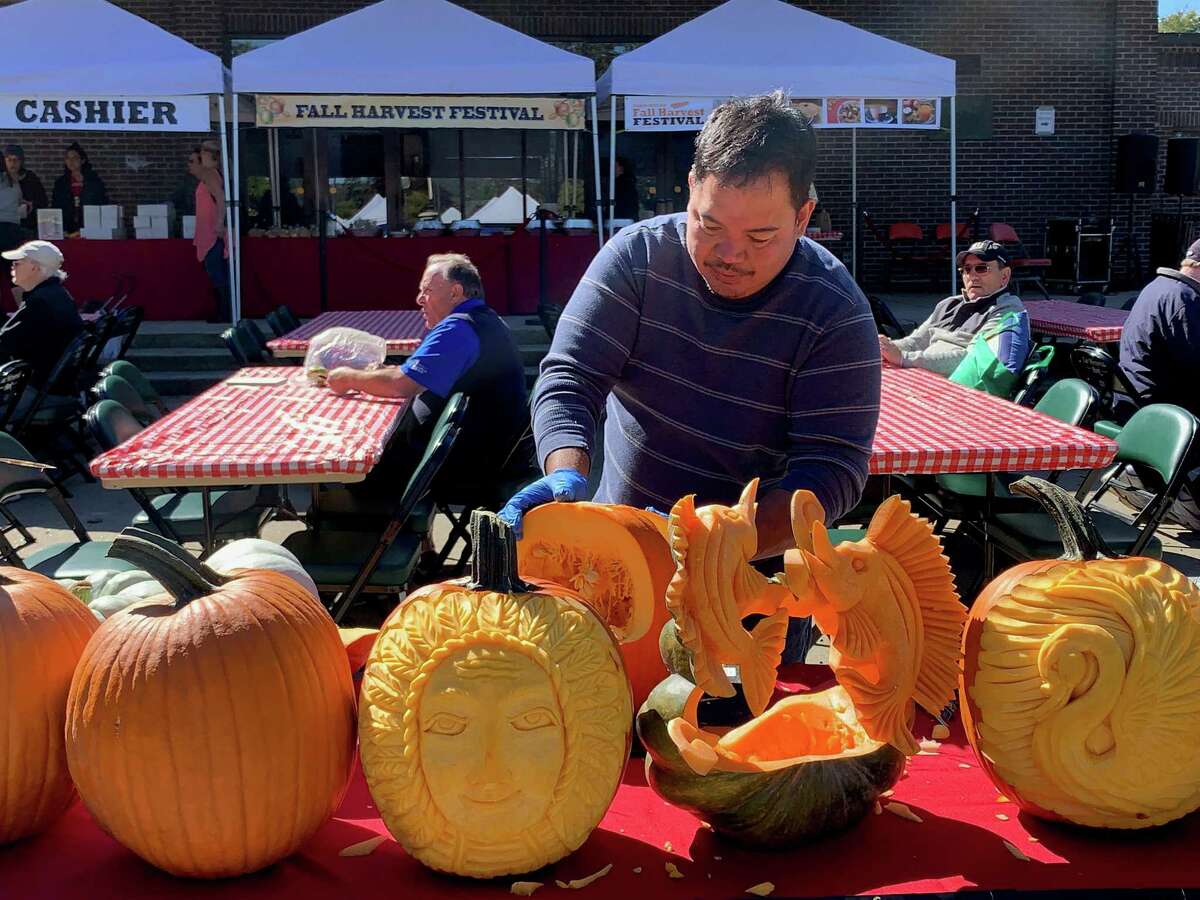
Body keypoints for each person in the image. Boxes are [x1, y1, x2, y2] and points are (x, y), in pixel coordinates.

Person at [500, 92, 881, 565]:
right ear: (691, 186)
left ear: (802, 218)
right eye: (709, 225)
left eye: (760, 236)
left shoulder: (834, 310)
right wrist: (565, 470)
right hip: (618, 554)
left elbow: (832, 468)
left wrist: (718, 549)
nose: (729, 254)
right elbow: (571, 378)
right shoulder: (637, 260)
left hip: (755, 580)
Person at [325, 252, 532, 491]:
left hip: (462, 464)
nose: (419, 299)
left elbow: (401, 384)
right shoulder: (483, 319)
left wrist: (349, 378)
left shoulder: (458, 328)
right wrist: (379, 373)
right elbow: (412, 373)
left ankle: (349, 521)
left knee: (347, 469)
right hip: (486, 453)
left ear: (455, 292)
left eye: (427, 291)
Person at [879, 239, 1029, 380]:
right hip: (920, 378)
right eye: (967, 269)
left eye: (982, 268)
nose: (972, 276)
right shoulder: (948, 304)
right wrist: (883, 348)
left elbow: (971, 360)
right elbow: (915, 342)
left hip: (956, 390)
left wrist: (904, 358)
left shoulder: (1008, 311)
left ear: (1005, 276)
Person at [1119, 239, 1200, 418]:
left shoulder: (1158, 286)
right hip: (1157, 402)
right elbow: (1193, 363)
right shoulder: (1184, 299)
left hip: (1133, 389)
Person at [0, 240, 83, 387]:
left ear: (35, 268)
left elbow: (6, 343)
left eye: (18, 263)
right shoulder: (58, 294)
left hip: (36, 387)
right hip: (57, 381)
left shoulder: (39, 302)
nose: (12, 267)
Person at [192, 141, 230, 323]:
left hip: (212, 232)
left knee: (216, 272)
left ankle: (224, 312)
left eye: (203, 151)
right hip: (209, 230)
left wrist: (219, 222)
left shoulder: (211, 175)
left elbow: (221, 199)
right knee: (216, 271)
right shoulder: (208, 175)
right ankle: (223, 311)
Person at [51, 142, 108, 235]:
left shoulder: (93, 181)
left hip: (90, 226)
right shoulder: (60, 183)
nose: (71, 161)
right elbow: (56, 206)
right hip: (67, 227)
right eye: (68, 158)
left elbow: (100, 202)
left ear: (82, 160)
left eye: (75, 158)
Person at [4, 145, 46, 234]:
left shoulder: (31, 179)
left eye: (16, 160)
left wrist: (30, 206)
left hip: (28, 226)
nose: (13, 163)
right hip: (6, 226)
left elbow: (42, 202)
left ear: (21, 161)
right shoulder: (1, 181)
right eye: (9, 160)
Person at [613, 156, 639, 221]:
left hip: (621, 221)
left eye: (615, 166)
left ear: (621, 169)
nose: (612, 169)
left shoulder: (621, 184)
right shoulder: (631, 183)